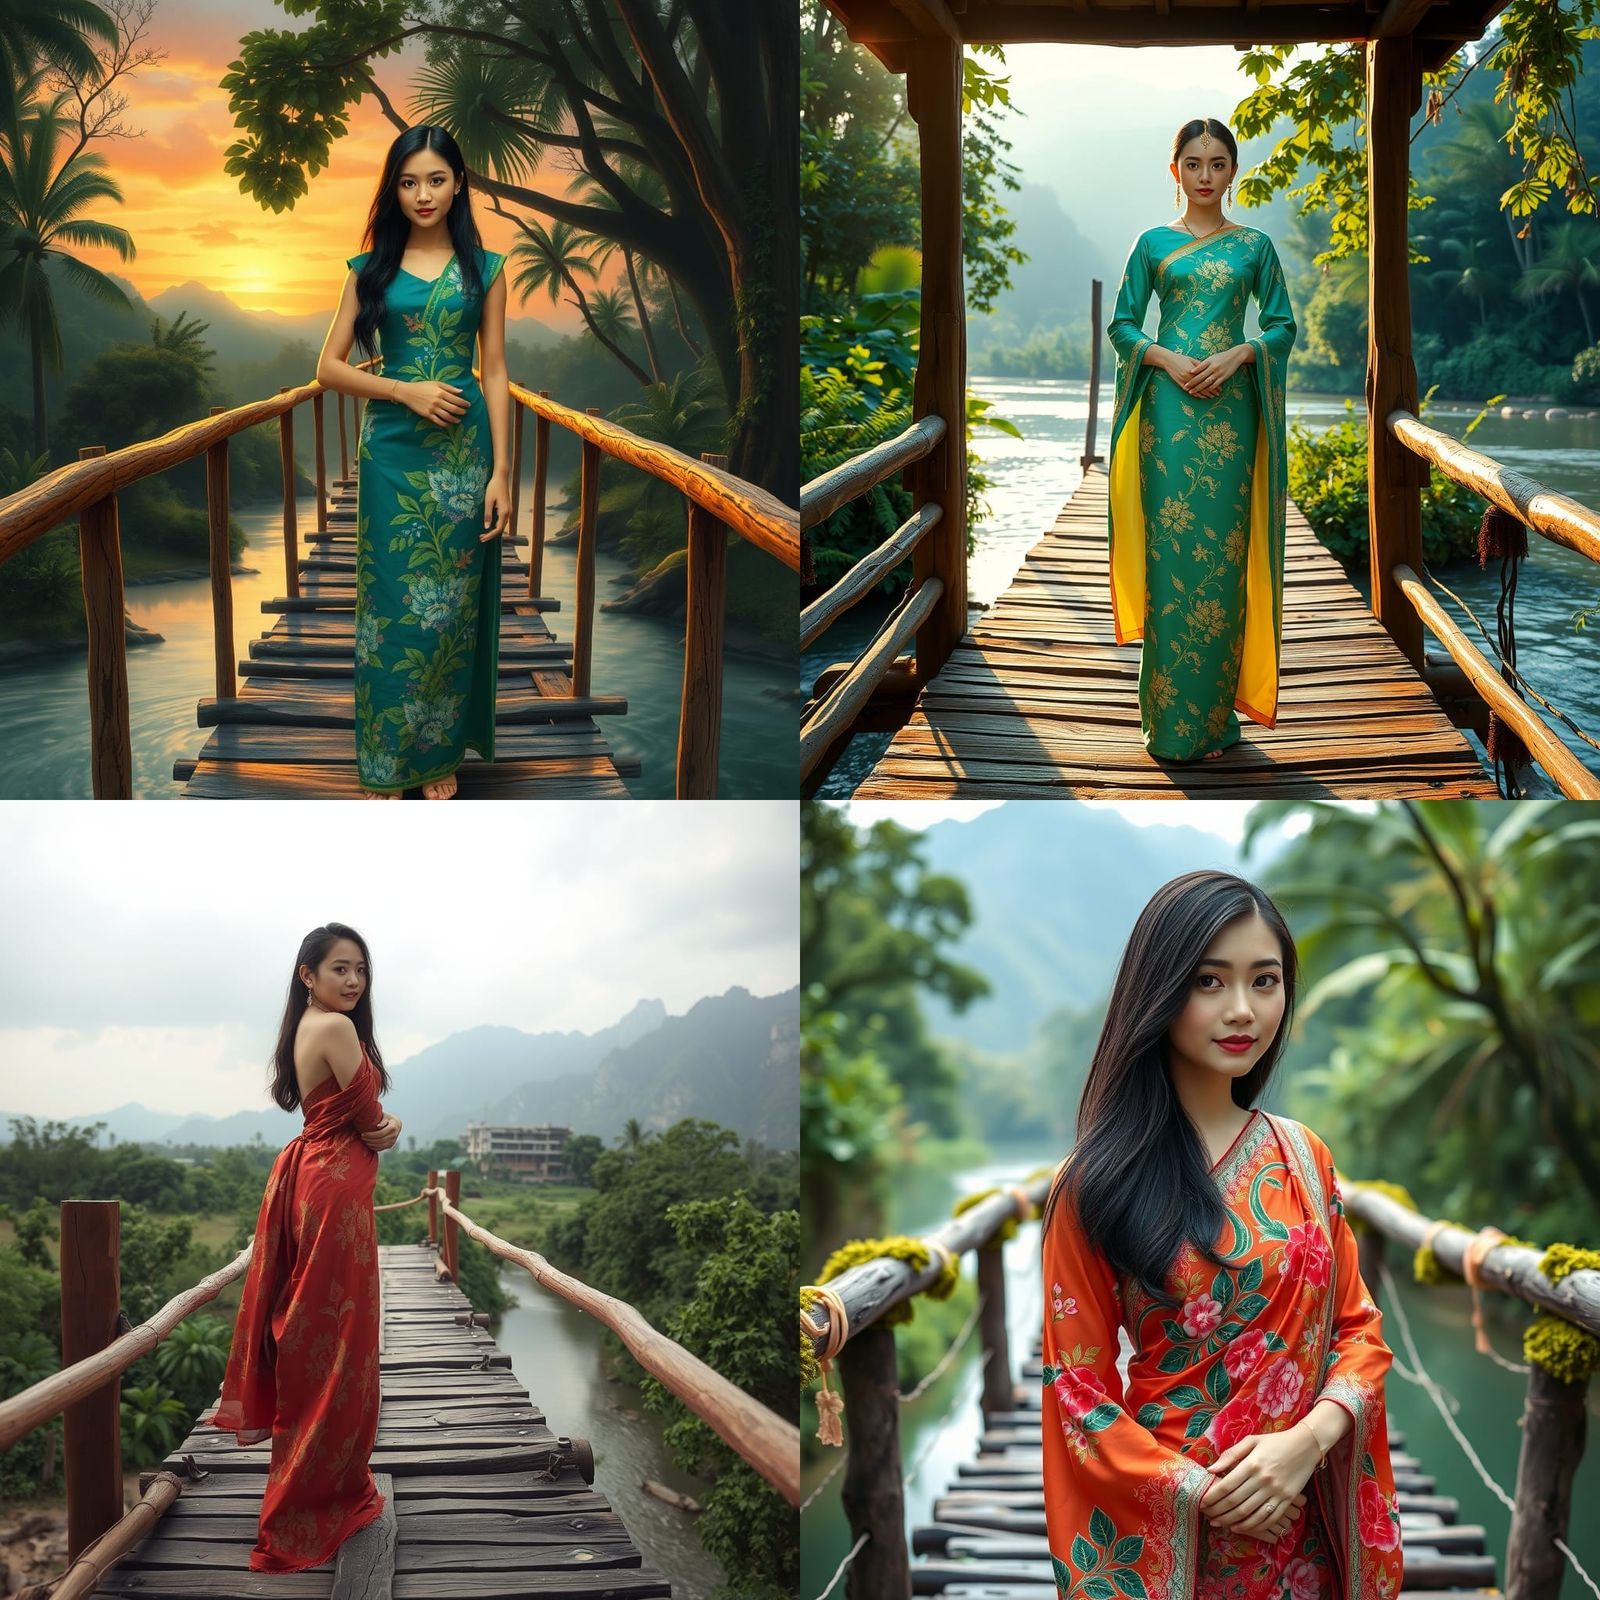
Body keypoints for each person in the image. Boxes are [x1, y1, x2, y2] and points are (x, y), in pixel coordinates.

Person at [1039, 871, 1403, 1600]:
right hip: (1175, 1529)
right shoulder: (1094, 1182)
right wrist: (1206, 1493)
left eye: (1264, 981)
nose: (1242, 1009)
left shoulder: (1304, 1159)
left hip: (1305, 1524)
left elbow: (1358, 1331)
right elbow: (1076, 1390)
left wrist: (1306, 1442)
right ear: (1159, 990)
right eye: (1209, 982)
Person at [316, 125, 512, 800]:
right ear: (393, 190)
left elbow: (495, 370)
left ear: (458, 185)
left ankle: (435, 754)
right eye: (408, 182)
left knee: (448, 610)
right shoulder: (369, 270)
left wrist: (502, 472)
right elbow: (327, 368)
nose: (422, 194)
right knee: (391, 609)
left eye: (435, 179)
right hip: (391, 453)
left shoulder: (485, 269)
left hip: (462, 456)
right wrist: (405, 390)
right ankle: (384, 758)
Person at [200, 923, 404, 1573]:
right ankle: (310, 1503)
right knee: (338, 1344)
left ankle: (325, 1488)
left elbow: (355, 1117)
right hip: (334, 1194)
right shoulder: (337, 1028)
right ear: (307, 974)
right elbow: (373, 1124)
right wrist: (392, 1126)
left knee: (318, 1335)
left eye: (361, 970)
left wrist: (379, 1126)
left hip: (315, 1183)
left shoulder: (306, 1026)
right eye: (340, 968)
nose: (354, 980)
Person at [1105, 119, 1298, 762]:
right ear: (1176, 171)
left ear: (1233, 170)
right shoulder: (1152, 244)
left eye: (1217, 164)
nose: (1205, 176)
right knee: (1172, 561)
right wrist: (1164, 358)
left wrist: (1241, 353)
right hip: (1168, 416)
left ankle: (1215, 722)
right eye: (1193, 164)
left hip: (1231, 414)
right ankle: (1168, 724)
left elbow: (1281, 326)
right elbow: (1123, 325)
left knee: (1222, 560)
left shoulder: (1255, 246)